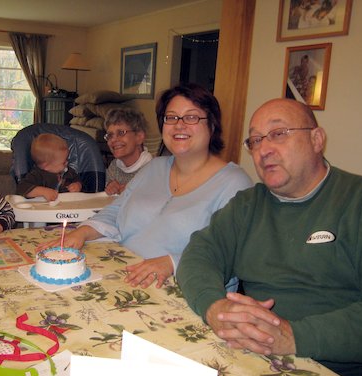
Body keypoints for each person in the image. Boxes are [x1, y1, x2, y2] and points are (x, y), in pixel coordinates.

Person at [176, 98, 362, 376]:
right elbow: (200, 253)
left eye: (279, 134)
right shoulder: (248, 205)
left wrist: (293, 336)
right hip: (257, 360)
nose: (263, 149)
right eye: (254, 140)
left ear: (317, 140)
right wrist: (215, 307)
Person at [40, 83, 253, 289]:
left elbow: (232, 255)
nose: (179, 125)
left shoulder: (234, 183)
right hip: (121, 273)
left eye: (191, 117)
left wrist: (172, 262)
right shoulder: (155, 167)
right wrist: (82, 232)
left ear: (212, 125)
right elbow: (115, 211)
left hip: (183, 289)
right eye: (171, 117)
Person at [16, 133, 82, 200]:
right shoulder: (37, 175)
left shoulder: (69, 172)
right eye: (63, 162)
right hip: (43, 208)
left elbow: (77, 179)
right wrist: (43, 191)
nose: (67, 163)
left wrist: (77, 185)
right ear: (46, 166)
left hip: (66, 206)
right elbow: (21, 188)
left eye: (67, 159)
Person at [103, 108, 152, 195]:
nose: (113, 140)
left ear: (139, 137)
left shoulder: (154, 170)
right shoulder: (114, 167)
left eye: (121, 133)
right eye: (110, 135)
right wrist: (110, 187)